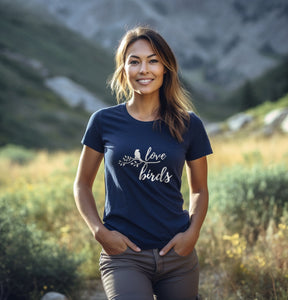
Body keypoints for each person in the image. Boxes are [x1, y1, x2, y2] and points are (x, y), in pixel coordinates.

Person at [73, 26, 213, 300]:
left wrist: (192, 234)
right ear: (123, 69)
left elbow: (199, 189)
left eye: (153, 60)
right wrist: (100, 232)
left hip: (177, 256)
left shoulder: (189, 124)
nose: (144, 69)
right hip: (124, 257)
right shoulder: (103, 122)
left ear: (165, 68)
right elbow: (81, 185)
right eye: (134, 61)